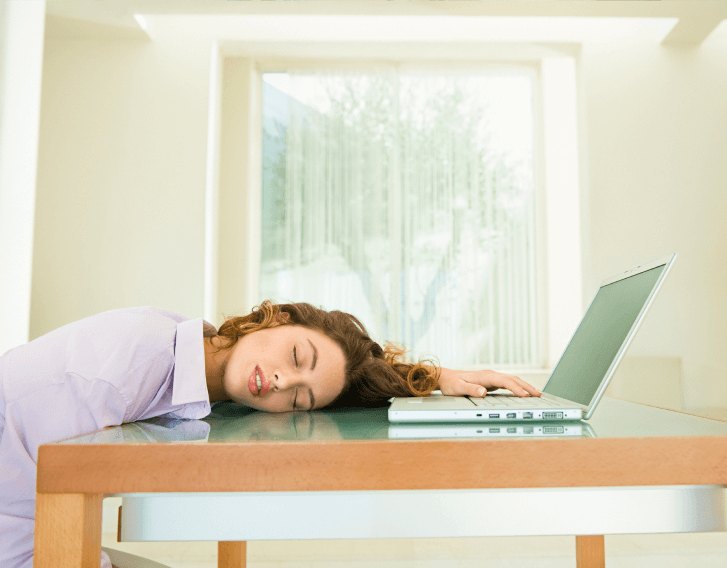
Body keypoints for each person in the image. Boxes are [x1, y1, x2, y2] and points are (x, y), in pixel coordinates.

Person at [0, 301, 540, 568]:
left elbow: (336, 379)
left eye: (300, 397)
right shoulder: (128, 365)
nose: (284, 382)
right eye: (295, 356)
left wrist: (428, 378)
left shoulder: (190, 352)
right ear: (268, 319)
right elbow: (49, 502)